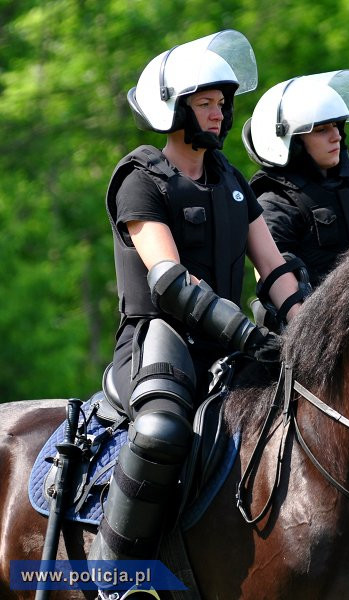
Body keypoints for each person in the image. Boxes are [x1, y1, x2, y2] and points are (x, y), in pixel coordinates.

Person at [89, 30, 307, 575]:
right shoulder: (139, 179)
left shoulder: (232, 180)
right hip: (156, 340)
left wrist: (307, 330)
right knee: (160, 431)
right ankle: (117, 575)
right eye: (205, 104)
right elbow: (168, 281)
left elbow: (274, 268)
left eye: (221, 104)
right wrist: (246, 333)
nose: (219, 114)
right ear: (173, 108)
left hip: (230, 346)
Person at [241, 70, 349, 289]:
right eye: (321, 130)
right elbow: (276, 282)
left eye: (337, 126)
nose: (336, 135)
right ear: (292, 142)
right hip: (309, 321)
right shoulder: (274, 204)